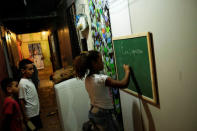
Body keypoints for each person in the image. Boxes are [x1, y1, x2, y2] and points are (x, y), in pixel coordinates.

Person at [73, 50, 130, 131]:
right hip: (105, 114)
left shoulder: (87, 79)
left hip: (94, 111)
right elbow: (124, 84)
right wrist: (127, 71)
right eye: (100, 60)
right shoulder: (102, 79)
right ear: (93, 63)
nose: (103, 62)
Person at [18, 59, 42, 131]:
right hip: (30, 116)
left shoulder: (29, 80)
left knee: (36, 128)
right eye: (30, 69)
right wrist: (25, 117)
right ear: (23, 71)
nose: (33, 71)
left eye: (32, 69)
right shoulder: (22, 84)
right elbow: (21, 100)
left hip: (35, 112)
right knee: (32, 129)